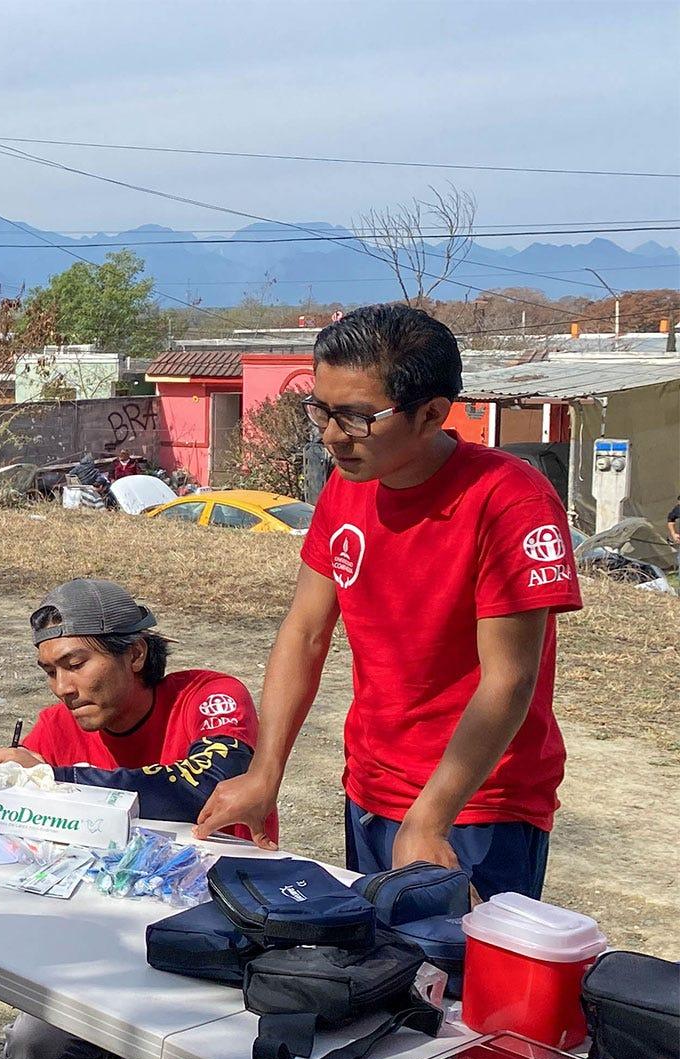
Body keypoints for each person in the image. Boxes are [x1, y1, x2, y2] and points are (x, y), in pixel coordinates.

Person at [195, 303, 581, 901]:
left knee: (462, 987)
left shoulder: (509, 500)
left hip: (479, 803)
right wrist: (264, 772)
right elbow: (304, 633)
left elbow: (509, 679)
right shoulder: (348, 491)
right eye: (320, 410)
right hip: (371, 790)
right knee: (382, 979)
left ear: (432, 413)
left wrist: (432, 817)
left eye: (354, 417)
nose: (329, 436)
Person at [0, 578, 267, 1059]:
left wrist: (57, 781)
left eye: (76, 665)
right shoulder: (56, 727)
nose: (63, 689)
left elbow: (207, 784)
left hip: (215, 925)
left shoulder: (210, 695)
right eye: (49, 672)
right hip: (104, 933)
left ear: (135, 654)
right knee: (33, 1046)